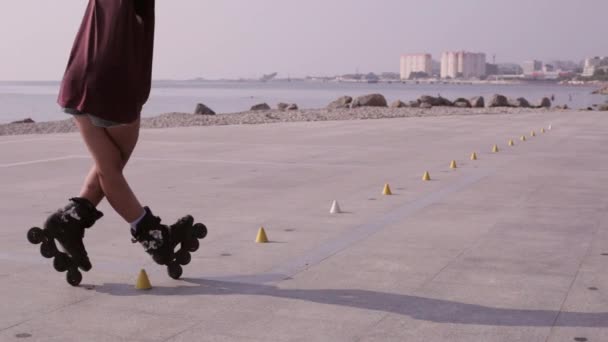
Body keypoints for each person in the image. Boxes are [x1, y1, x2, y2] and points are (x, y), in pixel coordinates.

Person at [30, 0, 205, 284]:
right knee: (112, 166)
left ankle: (70, 221)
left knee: (105, 163)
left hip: (79, 73)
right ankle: (155, 238)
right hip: (112, 78)